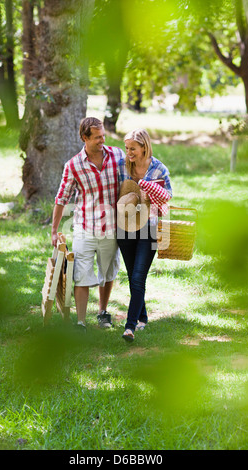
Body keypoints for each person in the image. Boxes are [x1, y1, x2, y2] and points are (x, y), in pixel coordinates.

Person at [52, 117, 126, 330]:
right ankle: (81, 322)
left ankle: (103, 313)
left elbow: (133, 178)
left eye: (103, 136)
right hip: (85, 227)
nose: (102, 140)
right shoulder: (74, 165)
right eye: (97, 137)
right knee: (81, 275)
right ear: (84, 138)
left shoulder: (118, 155)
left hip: (111, 228)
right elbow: (61, 199)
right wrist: (54, 230)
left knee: (108, 273)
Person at [117, 128, 172, 342]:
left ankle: (129, 327)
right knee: (133, 277)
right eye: (126, 148)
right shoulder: (123, 166)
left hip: (149, 227)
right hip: (125, 226)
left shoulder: (159, 169)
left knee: (139, 276)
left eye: (132, 148)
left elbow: (168, 196)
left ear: (143, 147)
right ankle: (143, 317)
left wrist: (149, 190)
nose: (128, 152)